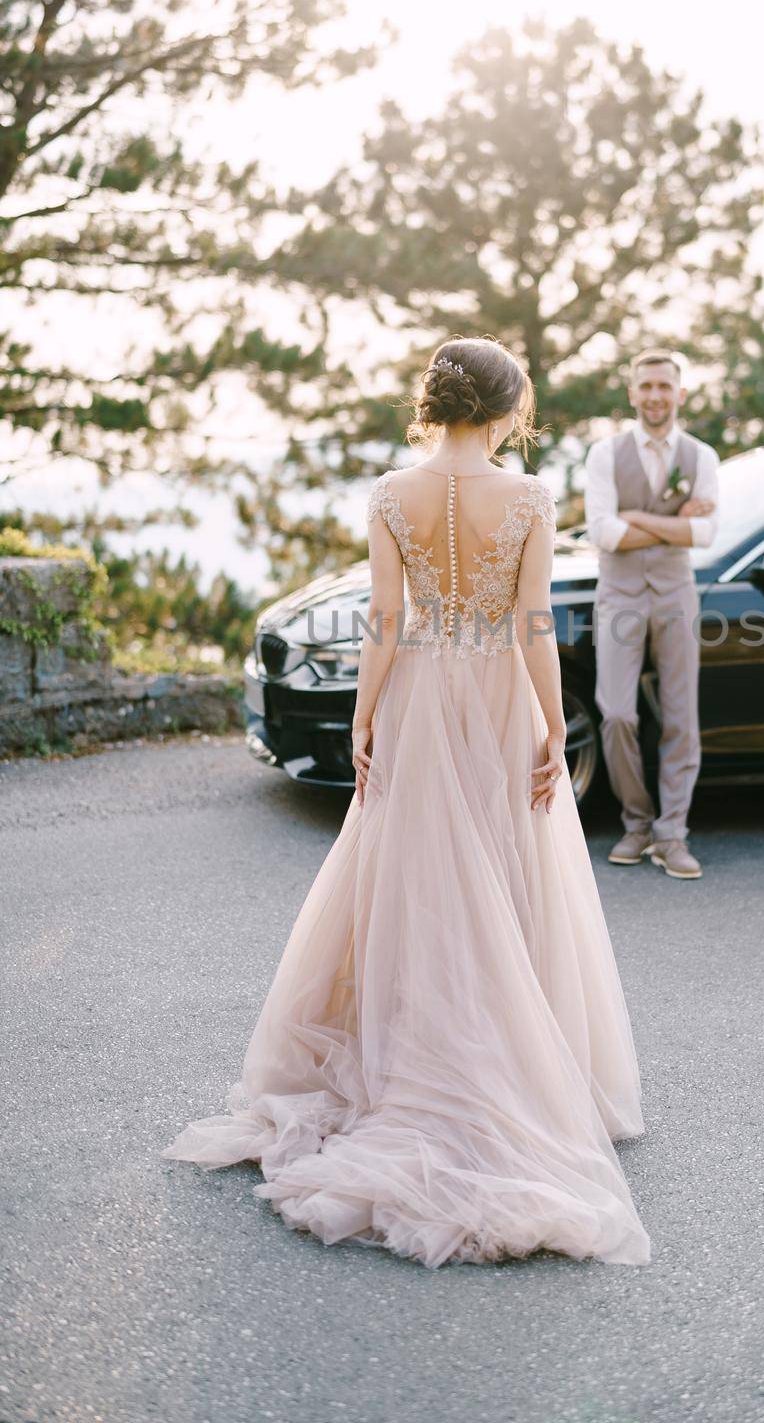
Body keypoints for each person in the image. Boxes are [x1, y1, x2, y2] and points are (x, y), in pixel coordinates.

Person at [162, 337, 650, 1269]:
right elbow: (534, 621)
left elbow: (382, 619)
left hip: (424, 692)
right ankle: (521, 1070)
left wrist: (363, 713)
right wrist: (553, 726)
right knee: (506, 867)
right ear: (511, 407)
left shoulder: (391, 493)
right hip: (499, 694)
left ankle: (405, 1059)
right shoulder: (532, 498)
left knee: (414, 869)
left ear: (435, 401)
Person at [583, 350, 720, 880]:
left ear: (680, 394)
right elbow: (603, 532)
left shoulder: (700, 455)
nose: (656, 396)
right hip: (618, 594)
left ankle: (672, 834)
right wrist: (667, 521)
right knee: (616, 712)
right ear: (633, 393)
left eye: (665, 386)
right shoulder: (604, 453)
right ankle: (636, 822)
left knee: (681, 717)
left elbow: (705, 534)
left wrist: (634, 517)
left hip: (675, 594)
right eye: (647, 387)